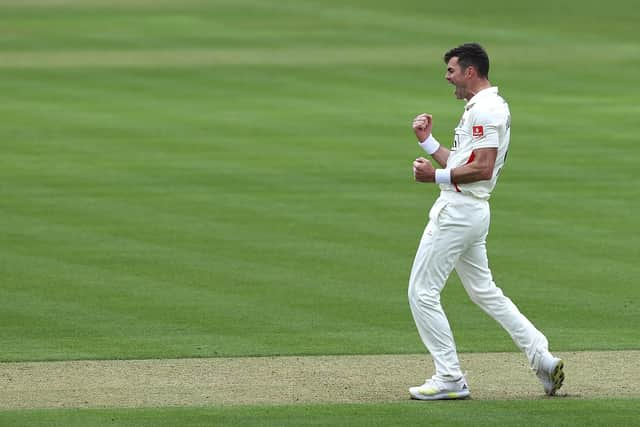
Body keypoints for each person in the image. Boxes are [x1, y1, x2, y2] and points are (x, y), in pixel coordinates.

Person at [407, 42, 564, 400]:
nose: (448, 79)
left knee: (421, 292)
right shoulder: (481, 106)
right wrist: (428, 143)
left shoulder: (487, 109)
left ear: (470, 72)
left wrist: (434, 178)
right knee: (484, 291)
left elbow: (482, 168)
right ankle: (541, 356)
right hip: (471, 211)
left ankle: (449, 377)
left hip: (459, 212)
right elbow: (463, 161)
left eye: (452, 71)